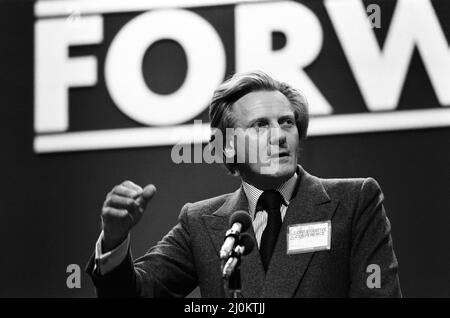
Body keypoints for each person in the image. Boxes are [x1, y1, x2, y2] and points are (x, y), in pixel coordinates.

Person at [86, 71, 401, 297]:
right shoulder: (199, 222)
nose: (279, 135)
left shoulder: (354, 201)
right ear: (227, 147)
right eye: (260, 125)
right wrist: (114, 239)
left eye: (286, 122)